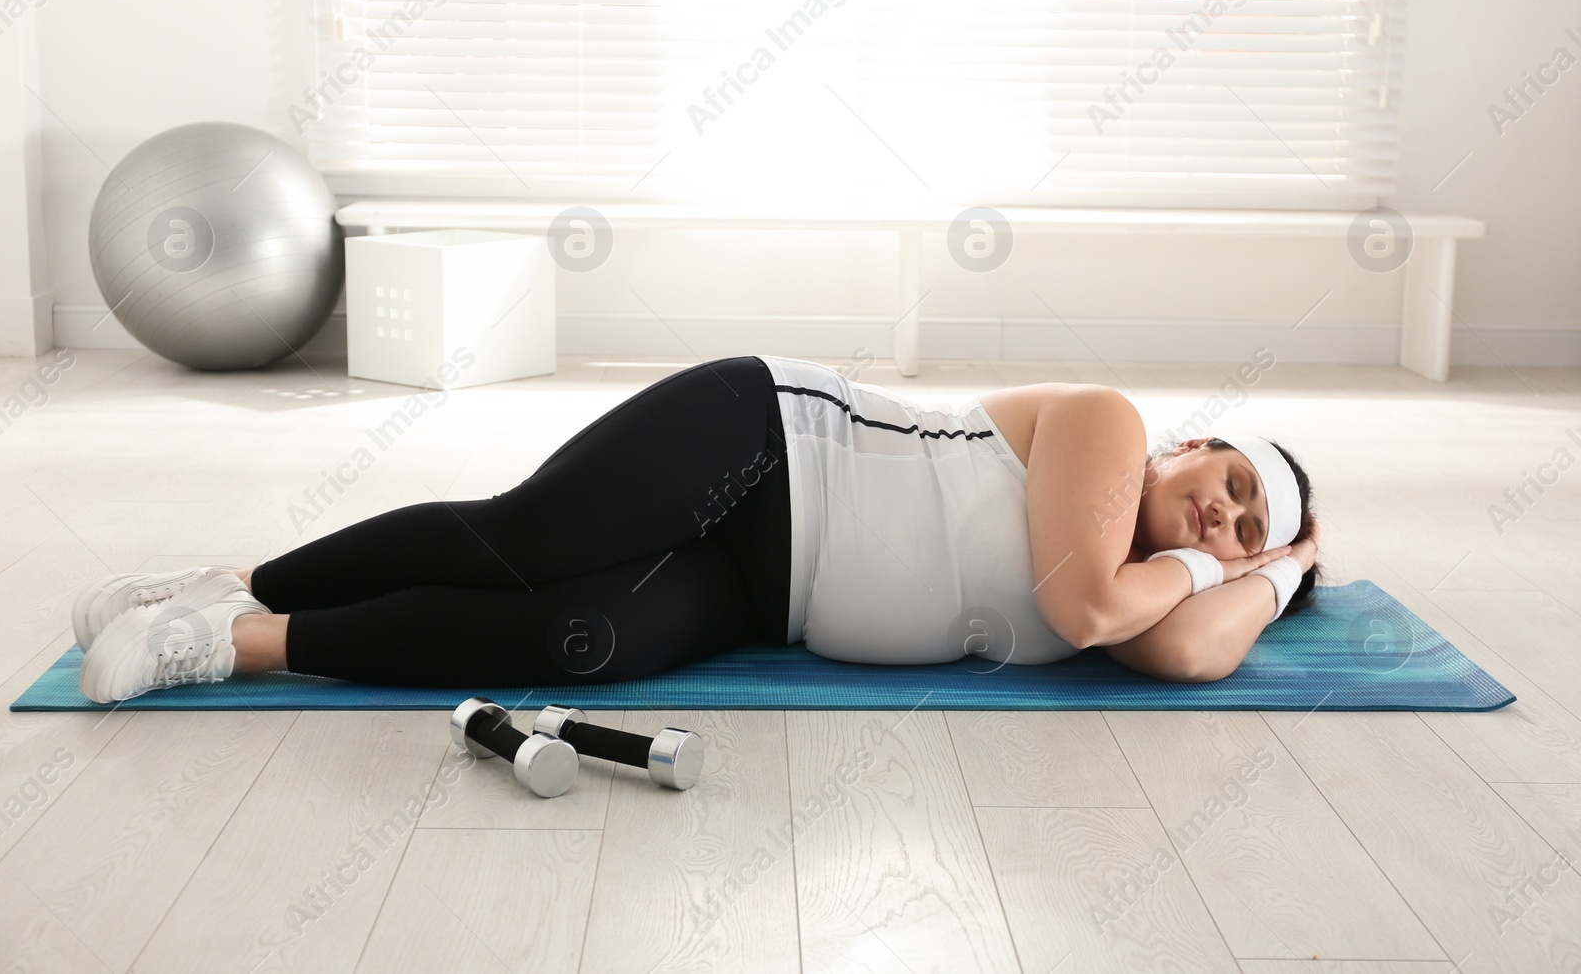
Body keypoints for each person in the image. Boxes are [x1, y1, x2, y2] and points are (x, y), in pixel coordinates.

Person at [73, 354, 1321, 703]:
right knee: (527, 539)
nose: (1225, 510)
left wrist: (1276, 573)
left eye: (1249, 521)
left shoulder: (1176, 583)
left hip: (761, 592)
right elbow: (1088, 610)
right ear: (1188, 444)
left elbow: (1184, 651)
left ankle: (224, 637)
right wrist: (1223, 559)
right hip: (761, 444)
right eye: (1232, 477)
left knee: (577, 639)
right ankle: (223, 573)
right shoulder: (1110, 420)